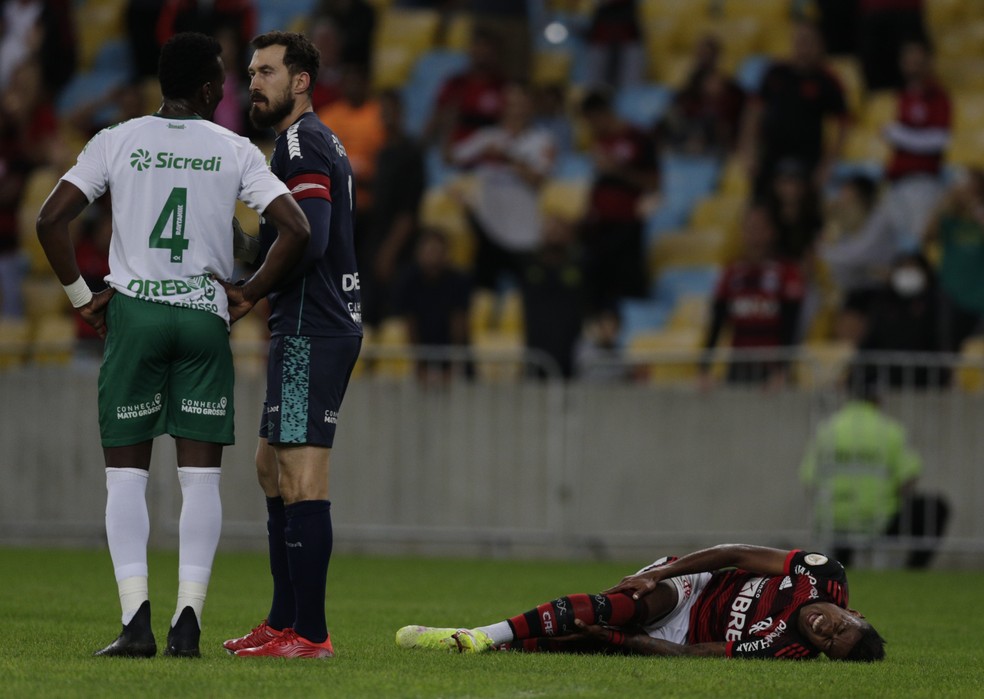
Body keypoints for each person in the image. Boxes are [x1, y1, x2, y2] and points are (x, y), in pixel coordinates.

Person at [35, 32, 311, 658]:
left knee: (126, 481)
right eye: (223, 79)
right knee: (200, 482)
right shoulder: (235, 148)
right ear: (210, 87)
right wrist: (248, 291)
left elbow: (50, 219)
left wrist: (82, 298)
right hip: (200, 319)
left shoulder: (117, 140)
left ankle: (136, 623)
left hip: (134, 314)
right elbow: (294, 228)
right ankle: (188, 621)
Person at [222, 30, 363, 660]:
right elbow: (299, 237)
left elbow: (311, 234)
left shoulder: (303, 141)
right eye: (251, 73)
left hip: (313, 324)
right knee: (269, 469)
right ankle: (284, 622)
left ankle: (310, 635)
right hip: (304, 322)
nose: (254, 82)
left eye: (268, 72)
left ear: (301, 81)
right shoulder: (304, 142)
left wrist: (250, 289)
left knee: (302, 478)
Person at [396, 543, 886, 661]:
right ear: (854, 612)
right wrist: (665, 573)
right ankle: (483, 635)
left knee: (583, 642)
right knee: (618, 607)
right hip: (693, 584)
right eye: (843, 627)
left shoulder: (787, 649)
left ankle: (482, 643)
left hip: (682, 633)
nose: (827, 630)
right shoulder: (821, 574)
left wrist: (621, 643)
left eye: (831, 643)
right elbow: (733, 553)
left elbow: (695, 654)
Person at [801, 378, 950, 569]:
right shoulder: (889, 429)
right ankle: (914, 571)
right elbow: (909, 477)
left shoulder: (827, 429)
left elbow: (808, 478)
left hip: (832, 518)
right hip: (878, 519)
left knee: (843, 528)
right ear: (878, 400)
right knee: (936, 507)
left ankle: (840, 565)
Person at [451, 81, 555, 291]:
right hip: (489, 232)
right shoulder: (487, 136)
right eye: (510, 102)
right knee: (482, 298)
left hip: (525, 237)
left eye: (520, 103)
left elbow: (537, 180)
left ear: (530, 106)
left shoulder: (543, 141)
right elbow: (453, 157)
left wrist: (506, 158)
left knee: (528, 298)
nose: (515, 108)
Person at [739, 20, 848, 197]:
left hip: (807, 162)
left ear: (820, 45)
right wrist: (747, 149)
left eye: (808, 42)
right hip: (770, 158)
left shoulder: (828, 81)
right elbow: (753, 111)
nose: (803, 47)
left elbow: (844, 124)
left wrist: (828, 164)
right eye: (799, 41)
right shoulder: (775, 72)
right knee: (762, 209)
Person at [700, 206, 804, 387]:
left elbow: (792, 325)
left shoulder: (787, 273)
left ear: (772, 231)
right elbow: (716, 324)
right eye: (749, 228)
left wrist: (783, 370)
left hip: (772, 370)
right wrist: (704, 370)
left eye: (759, 227)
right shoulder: (731, 273)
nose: (754, 234)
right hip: (738, 367)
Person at [579, 89, 659, 307]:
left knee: (628, 293)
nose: (591, 128)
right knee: (595, 295)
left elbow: (654, 183)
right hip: (598, 230)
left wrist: (618, 170)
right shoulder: (598, 143)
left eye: (591, 121)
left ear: (602, 114)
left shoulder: (638, 139)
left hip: (627, 228)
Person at [924, 168, 984, 352]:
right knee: (948, 346)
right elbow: (927, 236)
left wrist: (975, 207)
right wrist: (945, 202)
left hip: (979, 293)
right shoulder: (950, 220)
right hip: (951, 292)